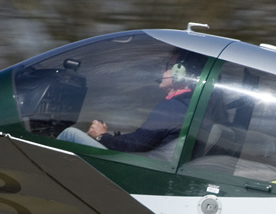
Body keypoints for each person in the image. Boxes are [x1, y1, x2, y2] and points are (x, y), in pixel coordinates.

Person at [59, 62, 195, 153]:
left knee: (70, 134)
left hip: (142, 168)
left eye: (167, 67)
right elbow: (143, 139)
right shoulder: (186, 104)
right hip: (149, 160)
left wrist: (102, 137)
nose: (162, 71)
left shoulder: (172, 107)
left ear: (179, 75)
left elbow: (137, 144)